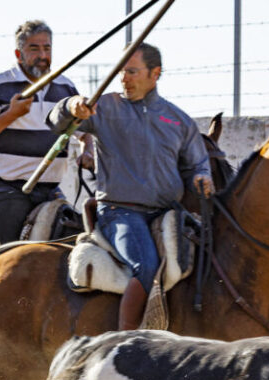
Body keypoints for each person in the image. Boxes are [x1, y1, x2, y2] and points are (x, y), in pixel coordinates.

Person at [48, 43, 213, 330]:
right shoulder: (103, 108)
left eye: (132, 72)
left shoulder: (179, 120)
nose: (124, 79)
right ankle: (126, 342)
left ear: (155, 74)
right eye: (122, 72)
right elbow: (57, 123)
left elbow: (196, 165)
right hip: (120, 212)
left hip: (166, 214)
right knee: (147, 266)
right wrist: (70, 107)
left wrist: (203, 177)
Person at [0, 20, 85, 245]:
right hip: (9, 188)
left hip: (51, 190)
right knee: (11, 260)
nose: (42, 55)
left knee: (74, 250)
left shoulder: (66, 88)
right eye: (34, 49)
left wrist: (87, 149)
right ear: (18, 54)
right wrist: (10, 115)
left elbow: (84, 130)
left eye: (47, 48)